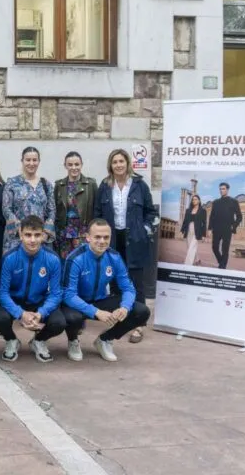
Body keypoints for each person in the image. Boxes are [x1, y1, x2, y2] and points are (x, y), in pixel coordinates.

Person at [62, 219, 151, 362]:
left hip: (100, 300)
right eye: (97, 237)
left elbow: (128, 288)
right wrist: (96, 312)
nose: (102, 241)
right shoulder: (75, 258)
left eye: (106, 237)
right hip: (76, 304)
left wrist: (124, 307)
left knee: (142, 311)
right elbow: (68, 295)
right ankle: (73, 341)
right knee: (73, 318)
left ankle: (104, 340)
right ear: (88, 237)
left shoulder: (114, 257)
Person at [94, 148, 157, 344]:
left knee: (136, 282)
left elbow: (151, 213)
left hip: (135, 239)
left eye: (121, 161)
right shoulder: (105, 186)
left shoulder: (139, 185)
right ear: (110, 165)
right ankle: (118, 319)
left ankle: (138, 324)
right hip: (111, 240)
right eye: (115, 162)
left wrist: (144, 230)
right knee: (113, 281)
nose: (119, 165)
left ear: (127, 163)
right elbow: (97, 213)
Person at [0, 215, 66, 363]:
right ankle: (12, 340)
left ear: (43, 235)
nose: (32, 240)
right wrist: (20, 314)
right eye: (28, 235)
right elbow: (2, 292)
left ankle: (38, 341)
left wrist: (41, 313)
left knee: (59, 323)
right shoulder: (9, 258)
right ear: (20, 234)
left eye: (37, 235)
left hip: (39, 301)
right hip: (15, 301)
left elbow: (56, 293)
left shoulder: (52, 259)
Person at [2, 147, 55, 253]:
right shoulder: (12, 183)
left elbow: (52, 211)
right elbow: (6, 209)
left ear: (39, 162)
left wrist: (45, 232)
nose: (31, 163)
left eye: (34, 160)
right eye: (28, 160)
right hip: (16, 238)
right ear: (22, 161)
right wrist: (22, 232)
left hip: (40, 238)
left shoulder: (46, 184)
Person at [54, 151, 97, 261]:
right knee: (65, 263)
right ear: (65, 166)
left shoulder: (90, 184)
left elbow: (96, 209)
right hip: (64, 233)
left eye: (77, 164)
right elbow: (55, 209)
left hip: (83, 232)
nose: (74, 168)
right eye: (70, 165)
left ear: (81, 164)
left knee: (83, 263)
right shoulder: (59, 185)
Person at [209, 183, 242, 269]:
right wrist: (209, 228)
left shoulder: (233, 201)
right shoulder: (216, 202)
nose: (221, 190)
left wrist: (233, 226)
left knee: (225, 250)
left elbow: (239, 216)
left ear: (227, 190)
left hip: (227, 229)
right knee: (214, 247)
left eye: (223, 189)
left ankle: (222, 267)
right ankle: (221, 262)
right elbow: (212, 216)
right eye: (220, 189)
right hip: (216, 228)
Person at [181, 194, 207, 266]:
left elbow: (204, 223)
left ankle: (187, 264)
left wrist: (204, 235)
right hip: (188, 229)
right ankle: (197, 260)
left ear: (199, 201)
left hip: (197, 231)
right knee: (190, 247)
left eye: (196, 199)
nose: (194, 201)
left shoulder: (203, 211)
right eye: (193, 199)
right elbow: (185, 221)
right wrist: (182, 230)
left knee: (192, 247)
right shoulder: (188, 210)